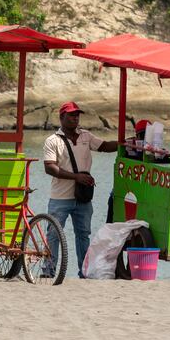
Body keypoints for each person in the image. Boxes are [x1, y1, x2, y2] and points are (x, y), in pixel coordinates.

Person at [43, 101, 118, 278]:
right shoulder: (52, 141)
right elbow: (49, 168)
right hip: (60, 197)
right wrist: (76, 177)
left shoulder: (86, 136)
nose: (75, 118)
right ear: (62, 117)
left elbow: (104, 146)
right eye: (71, 115)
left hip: (83, 197)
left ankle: (84, 271)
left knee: (83, 235)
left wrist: (124, 143)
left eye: (77, 115)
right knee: (54, 234)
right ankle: (49, 270)